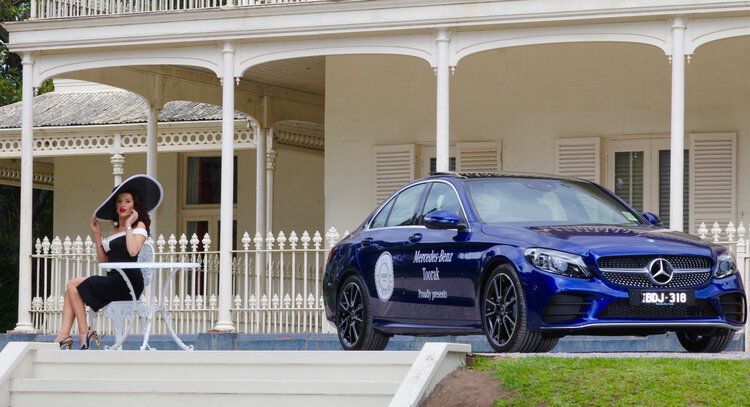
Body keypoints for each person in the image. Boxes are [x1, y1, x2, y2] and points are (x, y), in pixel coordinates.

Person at [53, 174, 163, 350]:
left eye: (127, 201)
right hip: (114, 279)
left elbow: (133, 251)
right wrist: (97, 234)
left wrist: (129, 225)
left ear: (135, 205)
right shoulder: (113, 230)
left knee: (72, 284)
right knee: (69, 292)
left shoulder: (139, 226)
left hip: (129, 283)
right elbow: (104, 260)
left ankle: (84, 331)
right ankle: (64, 335)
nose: (122, 205)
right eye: (119, 201)